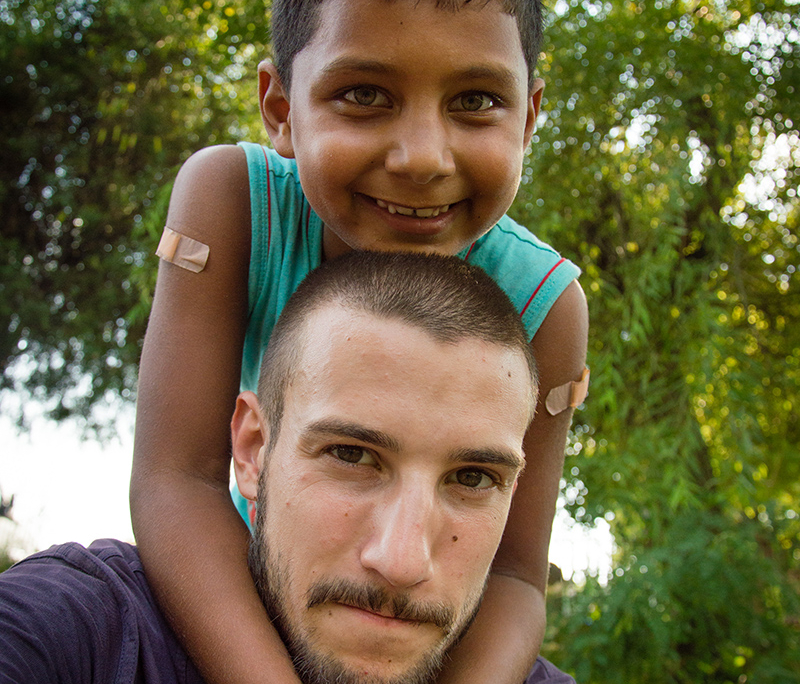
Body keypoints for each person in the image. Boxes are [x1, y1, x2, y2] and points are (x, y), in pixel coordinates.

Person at [131, 1, 589, 683]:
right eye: (365, 95)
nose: (422, 158)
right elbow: (176, 480)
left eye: (475, 101)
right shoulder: (230, 204)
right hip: (241, 600)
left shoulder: (546, 307)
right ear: (281, 109)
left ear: (527, 119)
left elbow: (517, 576)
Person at [0, 252, 576, 684]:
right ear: (253, 450)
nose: (401, 563)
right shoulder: (83, 631)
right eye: (351, 455)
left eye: (473, 478)